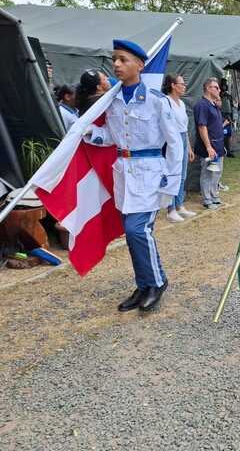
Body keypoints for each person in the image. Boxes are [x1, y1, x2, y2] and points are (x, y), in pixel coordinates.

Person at [86, 39, 183, 313]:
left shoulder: (155, 101)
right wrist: (91, 133)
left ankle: (156, 282)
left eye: (123, 59)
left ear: (139, 65)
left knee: (137, 230)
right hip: (124, 175)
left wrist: (173, 178)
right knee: (134, 235)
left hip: (151, 174)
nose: (116, 64)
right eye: (114, 59)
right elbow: (113, 138)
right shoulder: (112, 101)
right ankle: (144, 285)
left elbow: (174, 141)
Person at [161, 74, 196, 223]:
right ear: (173, 85)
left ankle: (180, 205)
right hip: (172, 140)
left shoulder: (181, 103)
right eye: (181, 84)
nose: (184, 86)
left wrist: (188, 147)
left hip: (182, 138)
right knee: (173, 173)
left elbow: (185, 128)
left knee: (182, 174)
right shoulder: (166, 102)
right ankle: (171, 209)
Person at [193, 78, 225, 209]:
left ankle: (213, 194)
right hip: (209, 146)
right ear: (208, 88)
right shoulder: (202, 105)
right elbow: (202, 126)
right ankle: (207, 199)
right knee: (208, 172)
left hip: (218, 145)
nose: (219, 90)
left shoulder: (213, 105)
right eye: (216, 87)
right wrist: (208, 147)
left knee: (217, 172)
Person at [219, 79, 236, 157]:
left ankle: (228, 151)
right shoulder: (219, 95)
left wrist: (232, 118)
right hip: (221, 116)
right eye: (223, 85)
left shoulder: (228, 96)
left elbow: (231, 107)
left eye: (225, 85)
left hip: (228, 116)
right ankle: (222, 150)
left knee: (228, 134)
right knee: (222, 133)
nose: (224, 87)